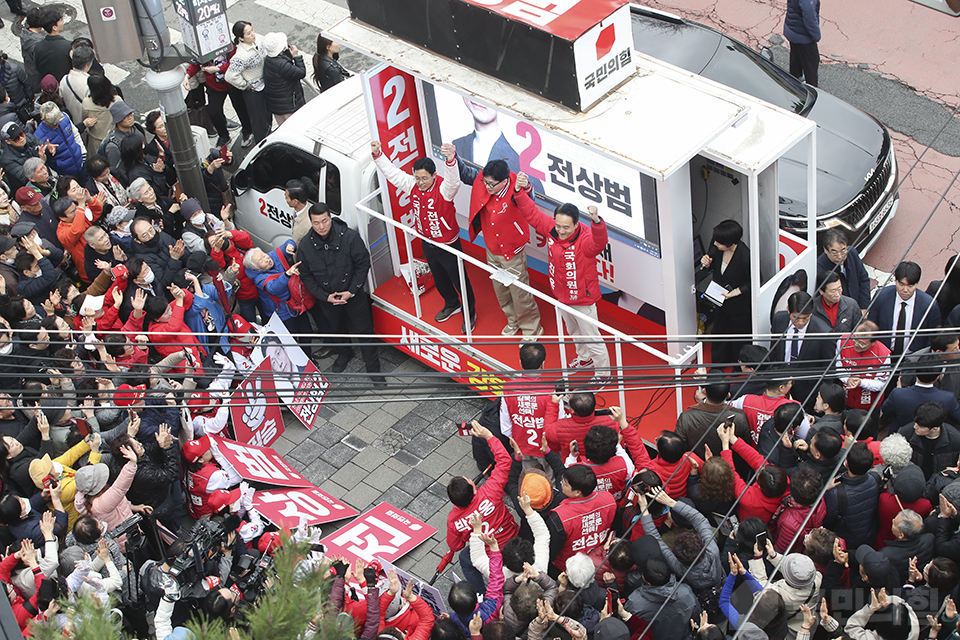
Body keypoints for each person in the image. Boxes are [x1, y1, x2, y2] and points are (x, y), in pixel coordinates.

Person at [371, 140, 476, 329]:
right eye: (417, 178)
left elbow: (454, 181)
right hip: (427, 242)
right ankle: (452, 304)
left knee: (459, 279)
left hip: (448, 244)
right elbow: (393, 174)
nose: (420, 183)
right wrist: (379, 155)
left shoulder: (444, 189)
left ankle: (470, 312)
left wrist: (451, 159)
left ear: (434, 175)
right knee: (439, 276)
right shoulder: (413, 185)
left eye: (424, 179)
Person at [515, 179, 610, 380]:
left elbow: (599, 243)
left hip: (583, 300)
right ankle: (584, 359)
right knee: (573, 331)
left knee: (593, 339)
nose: (561, 230)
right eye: (558, 226)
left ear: (576, 224)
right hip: (561, 296)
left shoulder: (585, 239)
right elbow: (532, 214)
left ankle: (603, 374)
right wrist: (519, 193)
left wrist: (597, 223)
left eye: (566, 227)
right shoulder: (552, 229)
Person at [296, 204, 384, 382]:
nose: (321, 226)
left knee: (365, 331)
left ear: (330, 218)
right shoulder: (305, 245)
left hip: (353, 294)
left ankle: (373, 367)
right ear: (311, 222)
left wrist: (351, 291)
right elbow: (305, 275)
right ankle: (345, 353)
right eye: (316, 223)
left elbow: (363, 263)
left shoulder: (349, 236)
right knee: (336, 329)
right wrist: (324, 296)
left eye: (325, 221)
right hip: (327, 298)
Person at [461, 159, 543, 340]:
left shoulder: (516, 188)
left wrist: (527, 186)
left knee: (520, 293)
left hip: (512, 251)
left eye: (492, 184)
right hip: (492, 249)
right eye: (486, 182)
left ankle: (532, 328)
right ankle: (513, 321)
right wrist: (453, 158)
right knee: (501, 289)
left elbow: (530, 200)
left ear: (505, 181)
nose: (487, 186)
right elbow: (465, 173)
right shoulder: (483, 180)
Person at [445, 421, 517, 594]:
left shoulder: (454, 520)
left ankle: (480, 594)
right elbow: (504, 460)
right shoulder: (491, 491)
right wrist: (489, 436)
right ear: (475, 488)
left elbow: (455, 546)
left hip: (489, 554)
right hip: (513, 539)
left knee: (464, 558)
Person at [771, 291, 837, 408]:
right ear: (788, 310)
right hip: (781, 384)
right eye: (795, 317)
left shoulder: (824, 333)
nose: (800, 322)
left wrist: (821, 398)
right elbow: (774, 351)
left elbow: (829, 369)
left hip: (808, 391)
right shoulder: (779, 320)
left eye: (805, 318)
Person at [700, 220, 752, 368]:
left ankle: (738, 365)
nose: (715, 243)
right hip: (720, 299)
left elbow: (754, 281)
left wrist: (735, 293)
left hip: (739, 304)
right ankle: (718, 364)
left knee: (738, 335)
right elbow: (712, 263)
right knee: (719, 331)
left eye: (719, 242)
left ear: (730, 242)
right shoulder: (716, 245)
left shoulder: (745, 256)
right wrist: (707, 263)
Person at [868, 261, 942, 357]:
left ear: (917, 284)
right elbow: (872, 325)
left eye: (910, 286)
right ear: (896, 280)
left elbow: (933, 336)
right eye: (901, 284)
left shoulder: (929, 305)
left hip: (914, 357)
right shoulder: (881, 296)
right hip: (883, 353)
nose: (905, 290)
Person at [676, 373, 751, 460]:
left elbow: (678, 448)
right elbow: (746, 448)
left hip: (697, 467)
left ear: (704, 392)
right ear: (728, 395)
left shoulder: (686, 417)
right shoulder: (740, 417)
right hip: (730, 467)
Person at [224, 21, 271, 144]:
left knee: (267, 116)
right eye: (248, 33)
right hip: (254, 92)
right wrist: (245, 85)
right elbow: (229, 76)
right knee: (259, 122)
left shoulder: (258, 40)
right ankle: (261, 147)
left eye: (252, 30)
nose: (252, 34)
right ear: (241, 38)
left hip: (265, 85)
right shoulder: (240, 56)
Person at [262, 32, 305, 126]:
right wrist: (297, 57)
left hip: (277, 106)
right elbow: (301, 72)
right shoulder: (282, 65)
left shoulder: (268, 60)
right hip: (289, 106)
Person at [81, 75, 119, 157]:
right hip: (114, 137)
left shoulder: (86, 103)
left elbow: (84, 118)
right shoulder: (117, 101)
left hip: (95, 139)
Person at [32, 11, 72, 83]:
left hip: (49, 83)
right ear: (54, 27)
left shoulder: (38, 47)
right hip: (66, 82)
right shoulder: (68, 46)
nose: (62, 23)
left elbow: (38, 67)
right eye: (60, 21)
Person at [58, 45, 92, 126]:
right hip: (87, 122)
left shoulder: (64, 80)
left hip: (72, 121)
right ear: (86, 65)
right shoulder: (89, 83)